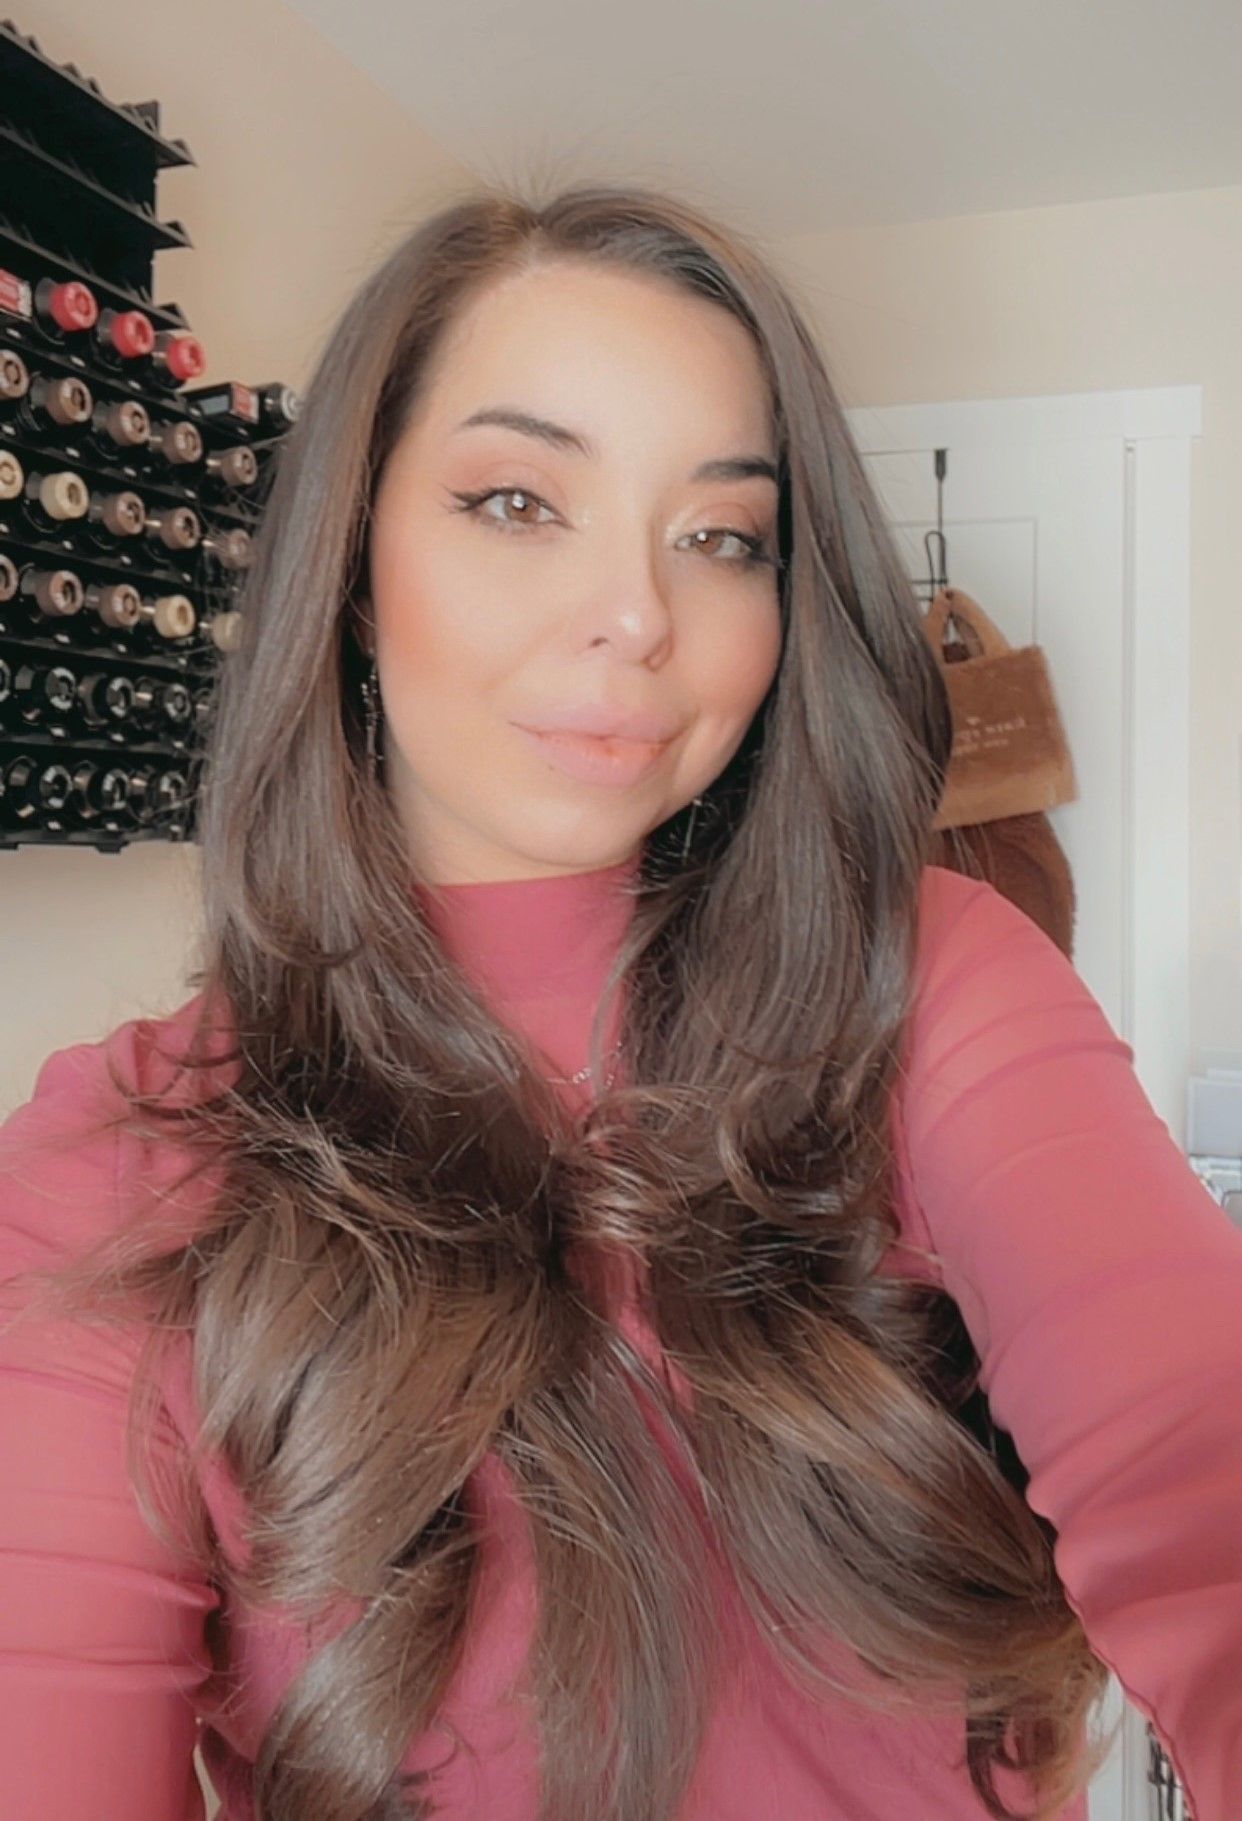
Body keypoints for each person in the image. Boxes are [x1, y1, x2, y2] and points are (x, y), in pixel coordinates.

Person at [1, 179, 1238, 1821]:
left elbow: (1196, 1463)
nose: (641, 613)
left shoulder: (927, 983)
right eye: (517, 501)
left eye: (721, 535)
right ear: (356, 565)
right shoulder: (120, 1159)